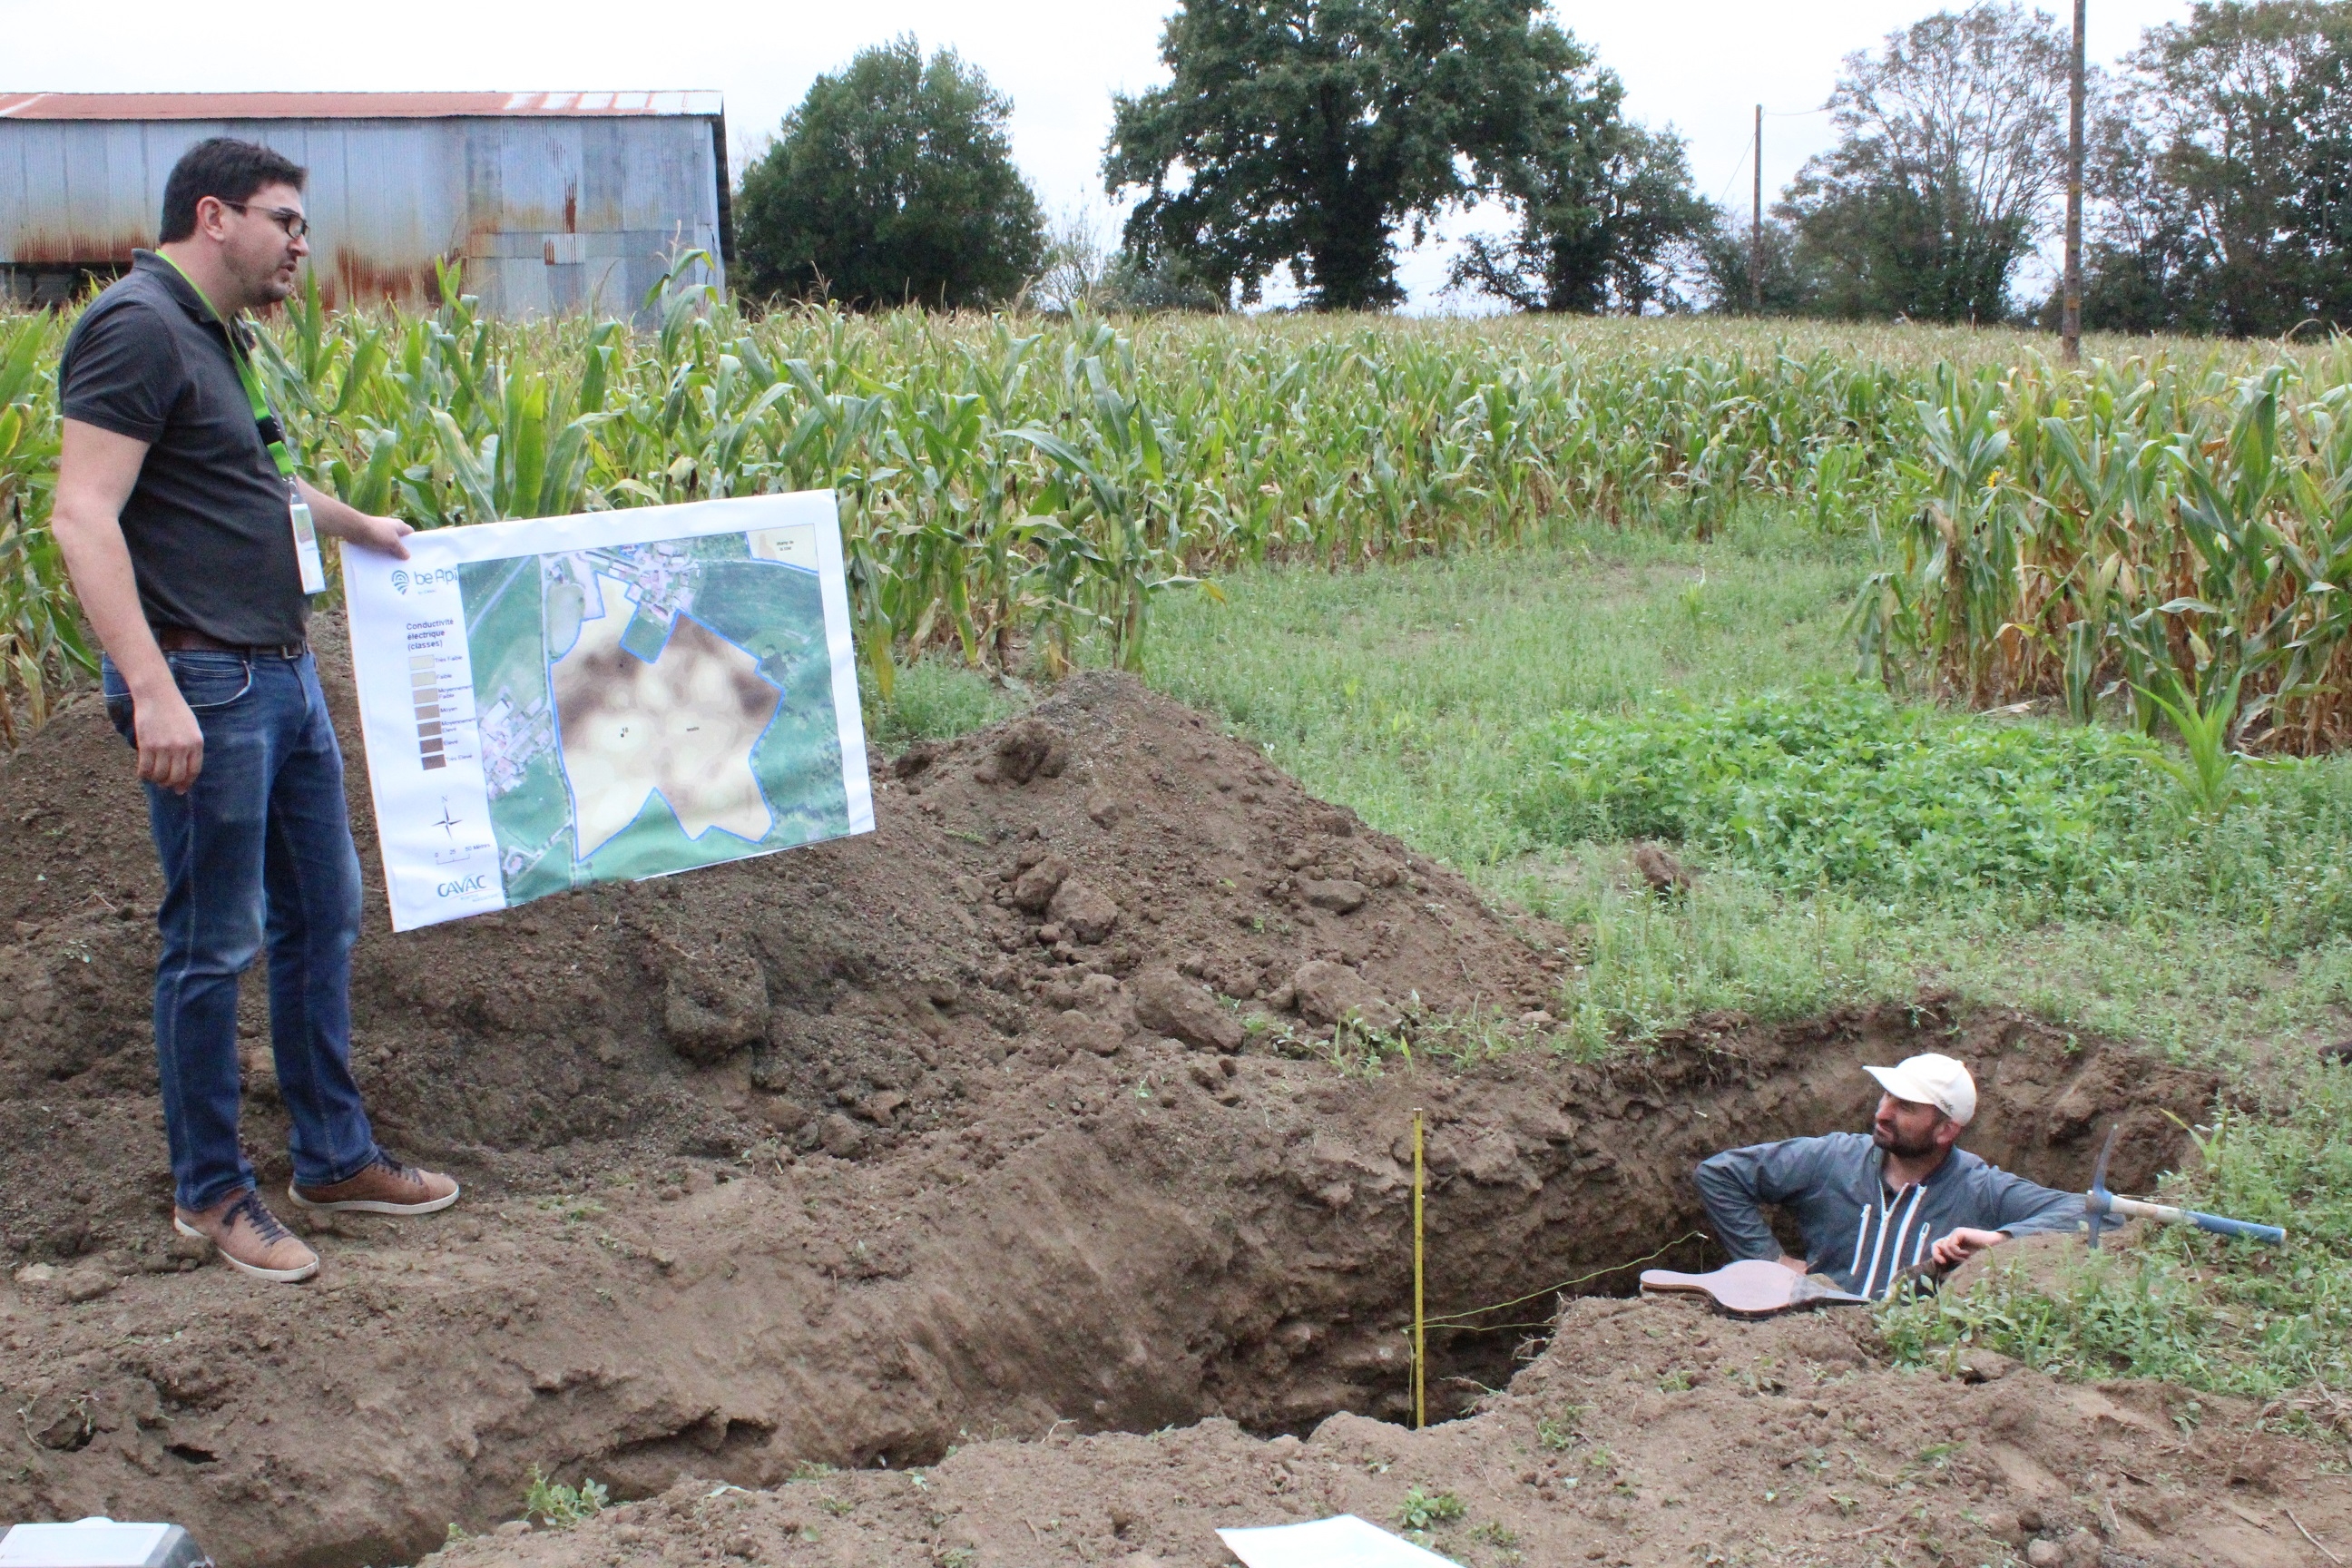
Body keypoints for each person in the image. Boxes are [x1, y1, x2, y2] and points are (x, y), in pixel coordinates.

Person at [51, 137, 459, 1285]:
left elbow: (249, 483)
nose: (301, 245)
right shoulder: (133, 324)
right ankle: (211, 1193)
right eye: (284, 220)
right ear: (215, 215)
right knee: (210, 943)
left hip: (279, 673)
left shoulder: (211, 336)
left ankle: (332, 1157)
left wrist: (356, 526)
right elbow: (83, 516)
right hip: (206, 686)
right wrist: (151, 687)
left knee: (322, 914)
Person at [1693, 1053, 2080, 1299]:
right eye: (1886, 1097)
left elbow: (2094, 1214)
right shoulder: (1833, 1158)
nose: (1882, 1113)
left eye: (1906, 1106)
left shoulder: (1981, 1189)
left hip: (1908, 1374)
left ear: (1946, 1130)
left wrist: (2000, 1239)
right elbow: (1720, 1176)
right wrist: (1770, 1260)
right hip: (1810, 1347)